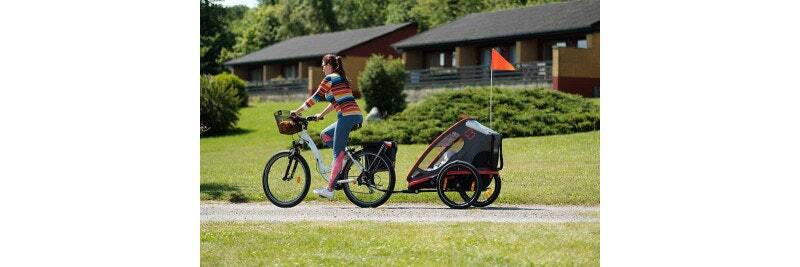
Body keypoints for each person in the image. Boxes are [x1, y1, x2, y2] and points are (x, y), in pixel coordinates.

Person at [292, 54, 363, 199]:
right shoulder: (341, 78)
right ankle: (345, 161)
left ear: (329, 65)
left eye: (323, 65)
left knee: (337, 153)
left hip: (346, 117)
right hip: (354, 115)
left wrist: (297, 112)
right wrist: (321, 115)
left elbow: (315, 98)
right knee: (325, 135)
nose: (323, 68)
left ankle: (330, 189)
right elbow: (335, 101)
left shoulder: (330, 78)